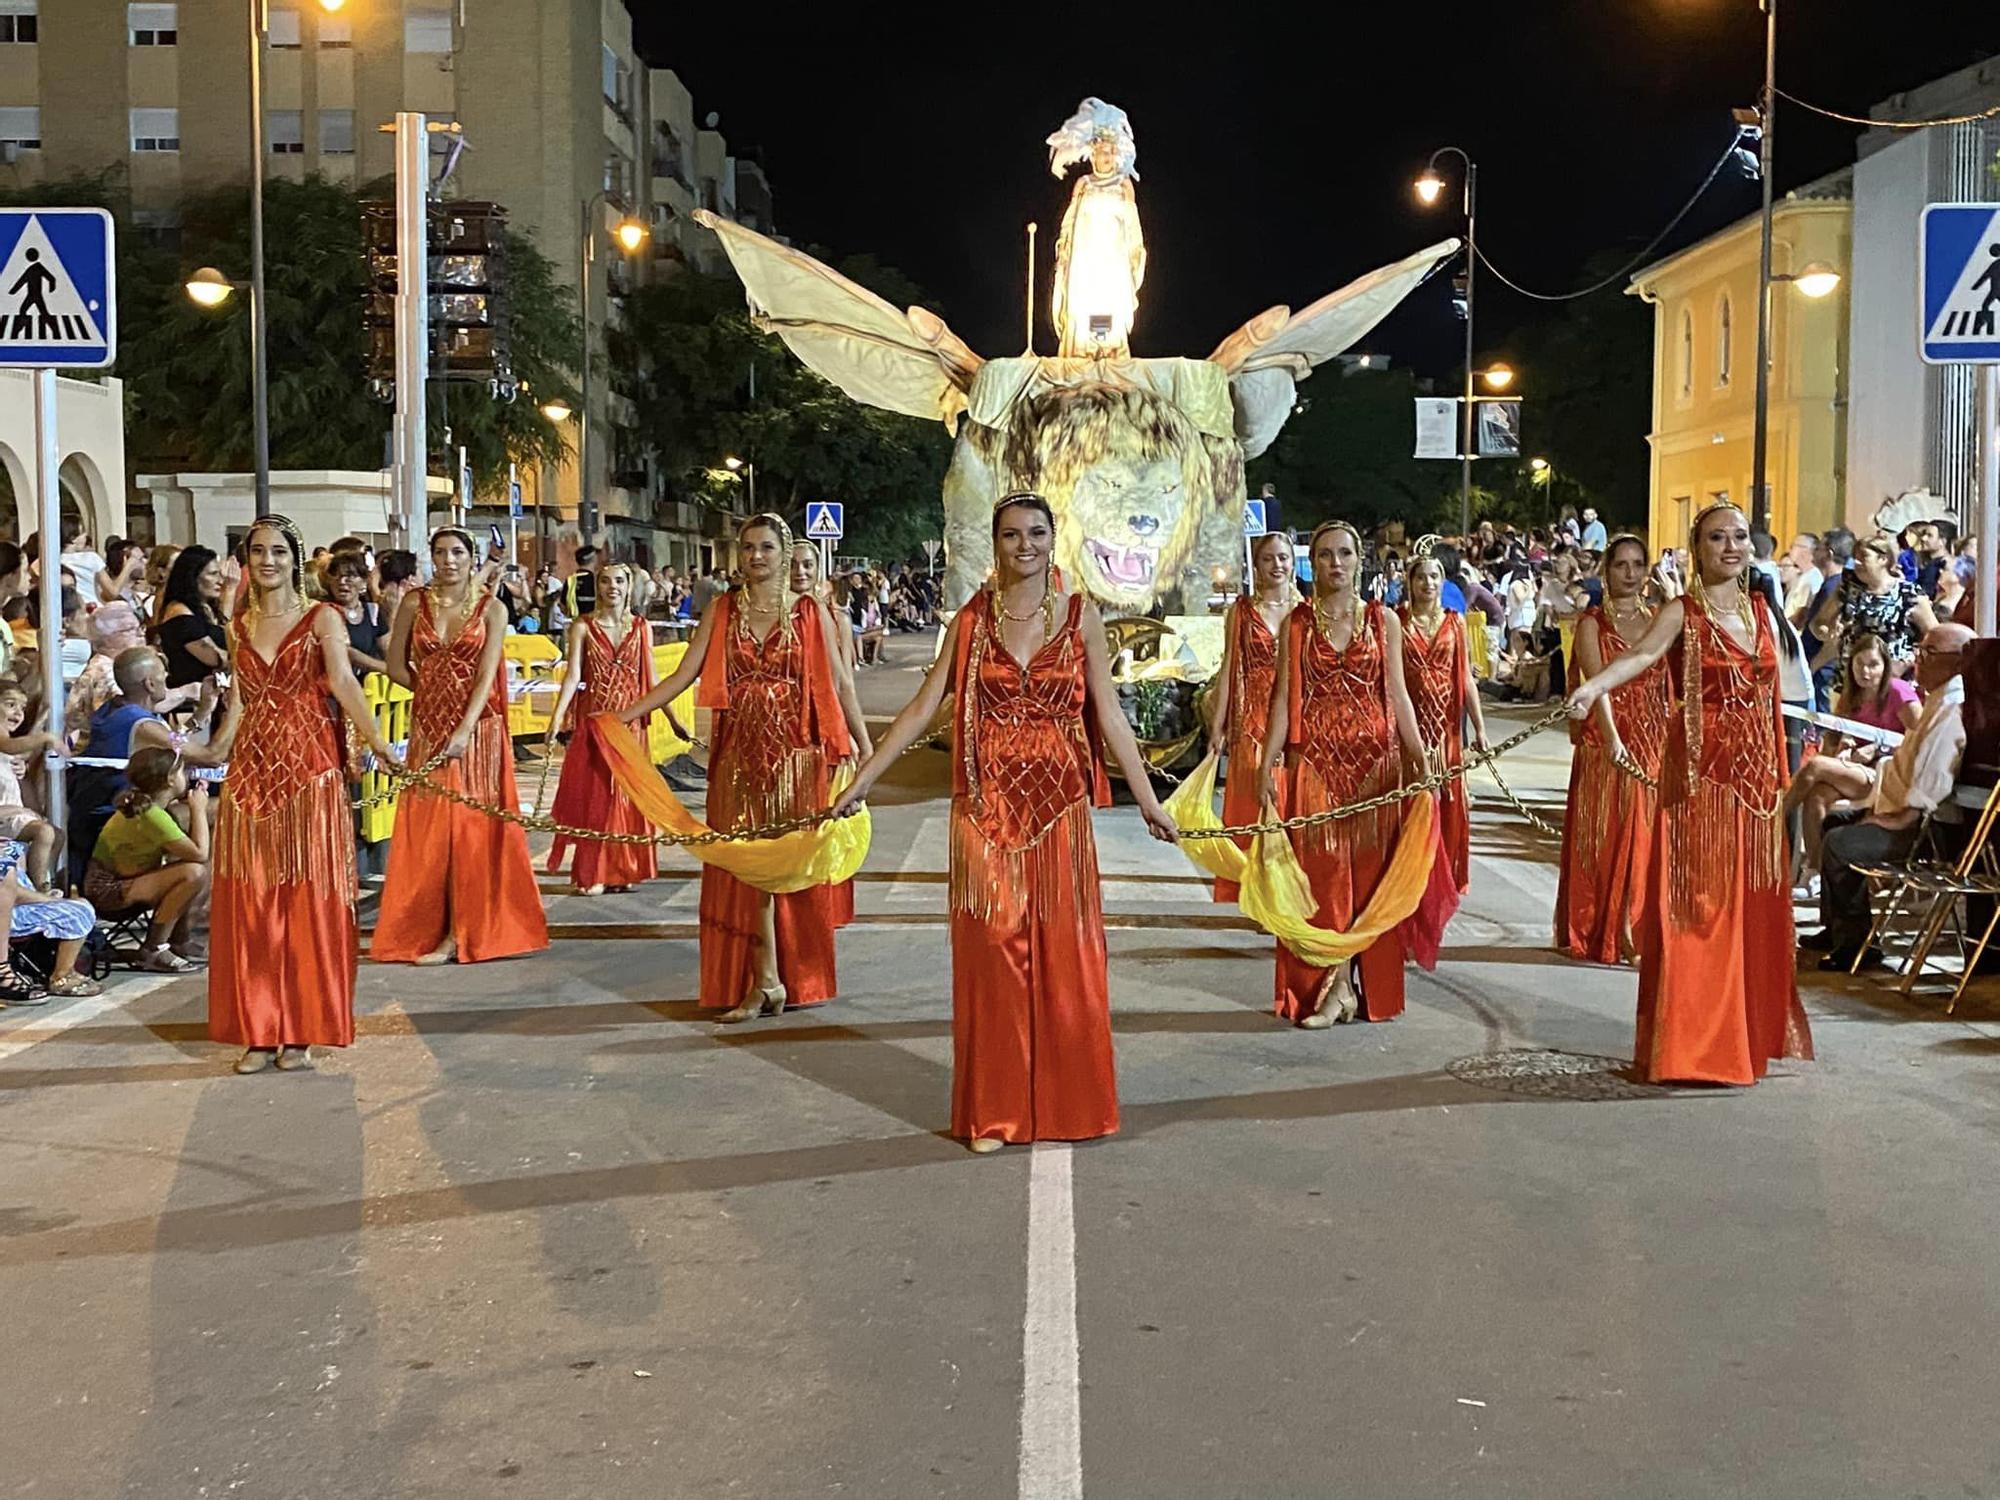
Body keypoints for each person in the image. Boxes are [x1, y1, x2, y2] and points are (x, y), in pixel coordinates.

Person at [833, 493, 1177, 1151]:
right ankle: (994, 1110)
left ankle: (1068, 1106)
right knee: (992, 955)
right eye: (1013, 535)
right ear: (996, 543)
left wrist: (1150, 799)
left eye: (1037, 533)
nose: (1026, 545)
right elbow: (920, 707)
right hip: (985, 810)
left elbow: (1108, 717)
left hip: (1059, 811)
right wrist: (863, 780)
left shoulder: (1081, 619)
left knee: (1064, 960)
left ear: (1054, 540)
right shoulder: (972, 621)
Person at [1566, 502, 1812, 1087]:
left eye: (1739, 537)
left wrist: (1784, 783)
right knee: (1700, 909)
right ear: (1696, 549)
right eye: (1716, 538)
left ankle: (1744, 1036)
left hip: (1755, 786)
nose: (1731, 547)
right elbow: (1643, 655)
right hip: (1701, 782)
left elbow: (1779, 693)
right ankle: (1695, 1045)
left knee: (1750, 909)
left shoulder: (1761, 611)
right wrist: (1592, 688)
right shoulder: (1683, 610)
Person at [620, 515, 869, 1018]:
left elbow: (841, 685)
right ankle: (764, 980)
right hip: (736, 758)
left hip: (797, 760)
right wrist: (625, 715)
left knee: (785, 868)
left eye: (767, 547)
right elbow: (685, 673)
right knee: (744, 869)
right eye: (748, 547)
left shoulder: (808, 613)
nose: (757, 556)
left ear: (783, 553)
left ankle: (787, 978)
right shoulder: (722, 610)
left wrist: (865, 752)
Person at [206, 515, 401, 1073]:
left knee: (307, 903)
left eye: (278, 552)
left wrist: (377, 743)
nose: (268, 561)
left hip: (310, 772)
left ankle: (302, 1030)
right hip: (251, 776)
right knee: (254, 904)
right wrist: (215, 750)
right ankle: (260, 1030)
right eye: (258, 552)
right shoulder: (238, 624)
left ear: (296, 560)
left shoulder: (322, 618)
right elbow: (240, 699)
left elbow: (342, 683)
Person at [1258, 520, 1430, 1028]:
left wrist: (1419, 759)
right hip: (1314, 766)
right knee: (1324, 884)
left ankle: (1346, 989)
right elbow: (1284, 697)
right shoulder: (1297, 623)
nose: (1337, 563)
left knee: (1371, 886)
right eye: (1327, 554)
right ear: (1313, 562)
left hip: (1377, 769)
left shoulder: (1384, 622)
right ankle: (1333, 988)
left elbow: (1398, 694)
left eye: (1347, 554)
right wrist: (1267, 760)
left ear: (1360, 561)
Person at [372, 527, 549, 966]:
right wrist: (431, 692)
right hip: (428, 732)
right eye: (439, 552)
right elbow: (396, 665)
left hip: (478, 734)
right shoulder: (415, 603)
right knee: (432, 836)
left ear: (473, 558)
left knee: (468, 834)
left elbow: (488, 675)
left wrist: (465, 726)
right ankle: (431, 927)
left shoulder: (492, 609)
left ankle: (461, 932)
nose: (448, 560)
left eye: (457, 552)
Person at [1800, 623, 1972, 971]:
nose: (1918, 660)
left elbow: (1935, 778)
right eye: (1918, 650)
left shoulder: (1951, 709)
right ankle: (1836, 928)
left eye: (1928, 653)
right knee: (1833, 820)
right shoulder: (1936, 697)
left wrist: (1899, 817)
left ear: (1956, 662)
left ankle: (1858, 944)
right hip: (1903, 808)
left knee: (1841, 843)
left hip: (1926, 829)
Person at [1555, 535, 1670, 965]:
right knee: (1605, 836)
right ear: (1606, 570)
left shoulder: (1660, 617)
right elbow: (1595, 680)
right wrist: (1612, 737)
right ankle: (1608, 927)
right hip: (1606, 742)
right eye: (1621, 564)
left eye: (1638, 564)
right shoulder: (1592, 622)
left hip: (1651, 738)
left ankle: (1634, 926)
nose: (1630, 573)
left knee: (1643, 837)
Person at [545, 561, 658, 897]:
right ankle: (593, 870)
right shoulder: (582, 626)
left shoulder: (641, 627)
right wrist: (555, 719)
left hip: (631, 725)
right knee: (597, 798)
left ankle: (621, 870)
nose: (613, 587)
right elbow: (573, 676)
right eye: (606, 581)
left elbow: (650, 680)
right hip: (595, 723)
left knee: (624, 799)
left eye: (620, 581)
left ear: (629, 586)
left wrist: (674, 721)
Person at [1780, 633, 1918, 893]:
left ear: (1885, 666)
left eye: (1873, 665)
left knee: (1816, 766)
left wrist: (1878, 748)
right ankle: (1816, 871)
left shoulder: (1899, 692)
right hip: (1859, 769)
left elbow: (1919, 738)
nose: (1865, 672)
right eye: (1859, 664)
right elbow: (1835, 739)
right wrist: (1846, 750)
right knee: (1817, 796)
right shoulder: (1850, 696)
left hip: (1890, 771)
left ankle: (1776, 817)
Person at [1204, 530, 1295, 903]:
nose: (1277, 565)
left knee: (1287, 803)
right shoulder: (1240, 611)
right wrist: (1218, 724)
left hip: (1290, 716)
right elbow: (1228, 668)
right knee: (1252, 804)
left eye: (1283, 558)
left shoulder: (1307, 611)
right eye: (1268, 558)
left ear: (1292, 564)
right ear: (1255, 566)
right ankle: (1254, 886)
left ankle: (1284, 885)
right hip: (1250, 718)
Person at [1398, 547, 1488, 895]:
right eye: (1421, 577)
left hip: (1448, 730)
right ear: (1411, 582)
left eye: (1434, 577)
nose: (1428, 583)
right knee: (1413, 800)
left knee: (1448, 802)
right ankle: (1410, 872)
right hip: (1410, 728)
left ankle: (1444, 875)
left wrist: (1479, 729)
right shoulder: (1398, 620)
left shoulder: (1455, 621)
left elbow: (1466, 678)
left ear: (1443, 581)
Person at [84, 745, 209, 971]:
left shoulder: (153, 809)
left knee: (188, 868)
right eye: (183, 771)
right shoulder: (150, 814)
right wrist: (198, 808)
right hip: (108, 891)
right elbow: (200, 852)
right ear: (170, 779)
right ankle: (154, 948)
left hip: (132, 881)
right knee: (193, 873)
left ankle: (178, 941)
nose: (187, 776)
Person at [1809, 531, 1936, 684]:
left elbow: (1935, 638)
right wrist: (1825, 632)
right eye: (1855, 558)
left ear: (1883, 559)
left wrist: (1906, 662)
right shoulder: (1847, 589)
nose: (1857, 563)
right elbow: (1819, 623)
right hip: (1852, 680)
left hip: (1893, 682)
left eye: (1863, 557)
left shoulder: (1909, 595)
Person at [0, 841, 102, 1001]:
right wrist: (46, 900)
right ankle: (62, 976)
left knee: (80, 905)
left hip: (19, 903)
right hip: (10, 913)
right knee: (78, 912)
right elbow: (13, 894)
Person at [0, 685, 60, 891]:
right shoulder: (4, 743)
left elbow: (20, 751)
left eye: (22, 708)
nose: (18, 713)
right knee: (44, 832)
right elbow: (12, 746)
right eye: (10, 705)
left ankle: (42, 878)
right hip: (4, 816)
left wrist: (42, 720)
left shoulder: (9, 750)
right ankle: (39, 888)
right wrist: (45, 737)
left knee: (57, 835)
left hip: (13, 817)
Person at [156, 545, 232, 693]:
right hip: (194, 696)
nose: (220, 581)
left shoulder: (205, 608)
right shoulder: (180, 614)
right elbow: (216, 658)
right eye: (213, 574)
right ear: (192, 577)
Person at [324, 552, 387, 677]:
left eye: (350, 576)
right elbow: (345, 652)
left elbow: (388, 649)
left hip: (369, 688)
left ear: (363, 583)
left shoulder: (373, 611)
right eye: (335, 576)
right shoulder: (324, 612)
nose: (342, 581)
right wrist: (385, 668)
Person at [56, 523, 107, 606]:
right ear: (73, 538)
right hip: (94, 606)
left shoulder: (56, 561)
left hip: (73, 608)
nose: (85, 536)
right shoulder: (91, 557)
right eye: (82, 533)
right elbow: (112, 591)